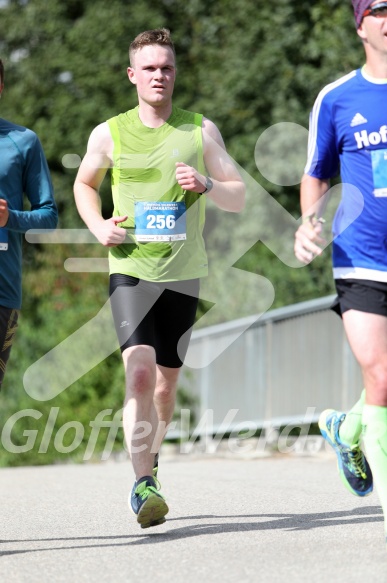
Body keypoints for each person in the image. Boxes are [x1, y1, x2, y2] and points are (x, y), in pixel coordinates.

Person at [74, 28, 245, 529]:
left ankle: (151, 460)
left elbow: (238, 195)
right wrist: (98, 225)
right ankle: (142, 482)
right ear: (132, 75)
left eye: (166, 68)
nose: (159, 76)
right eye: (149, 68)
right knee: (141, 374)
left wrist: (209, 183)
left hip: (184, 274)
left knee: (166, 388)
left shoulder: (199, 131)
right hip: (130, 269)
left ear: (175, 73)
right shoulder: (109, 132)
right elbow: (85, 184)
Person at [294, 0, 387, 548]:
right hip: (361, 255)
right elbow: (315, 173)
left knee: (385, 381)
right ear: (360, 24)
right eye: (379, 8)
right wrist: (310, 222)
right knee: (380, 376)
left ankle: (345, 429)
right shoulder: (336, 98)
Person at [0, 58, 58, 389]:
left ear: (1, 87)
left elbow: (48, 217)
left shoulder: (22, 141)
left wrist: (11, 218)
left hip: (2, 292)